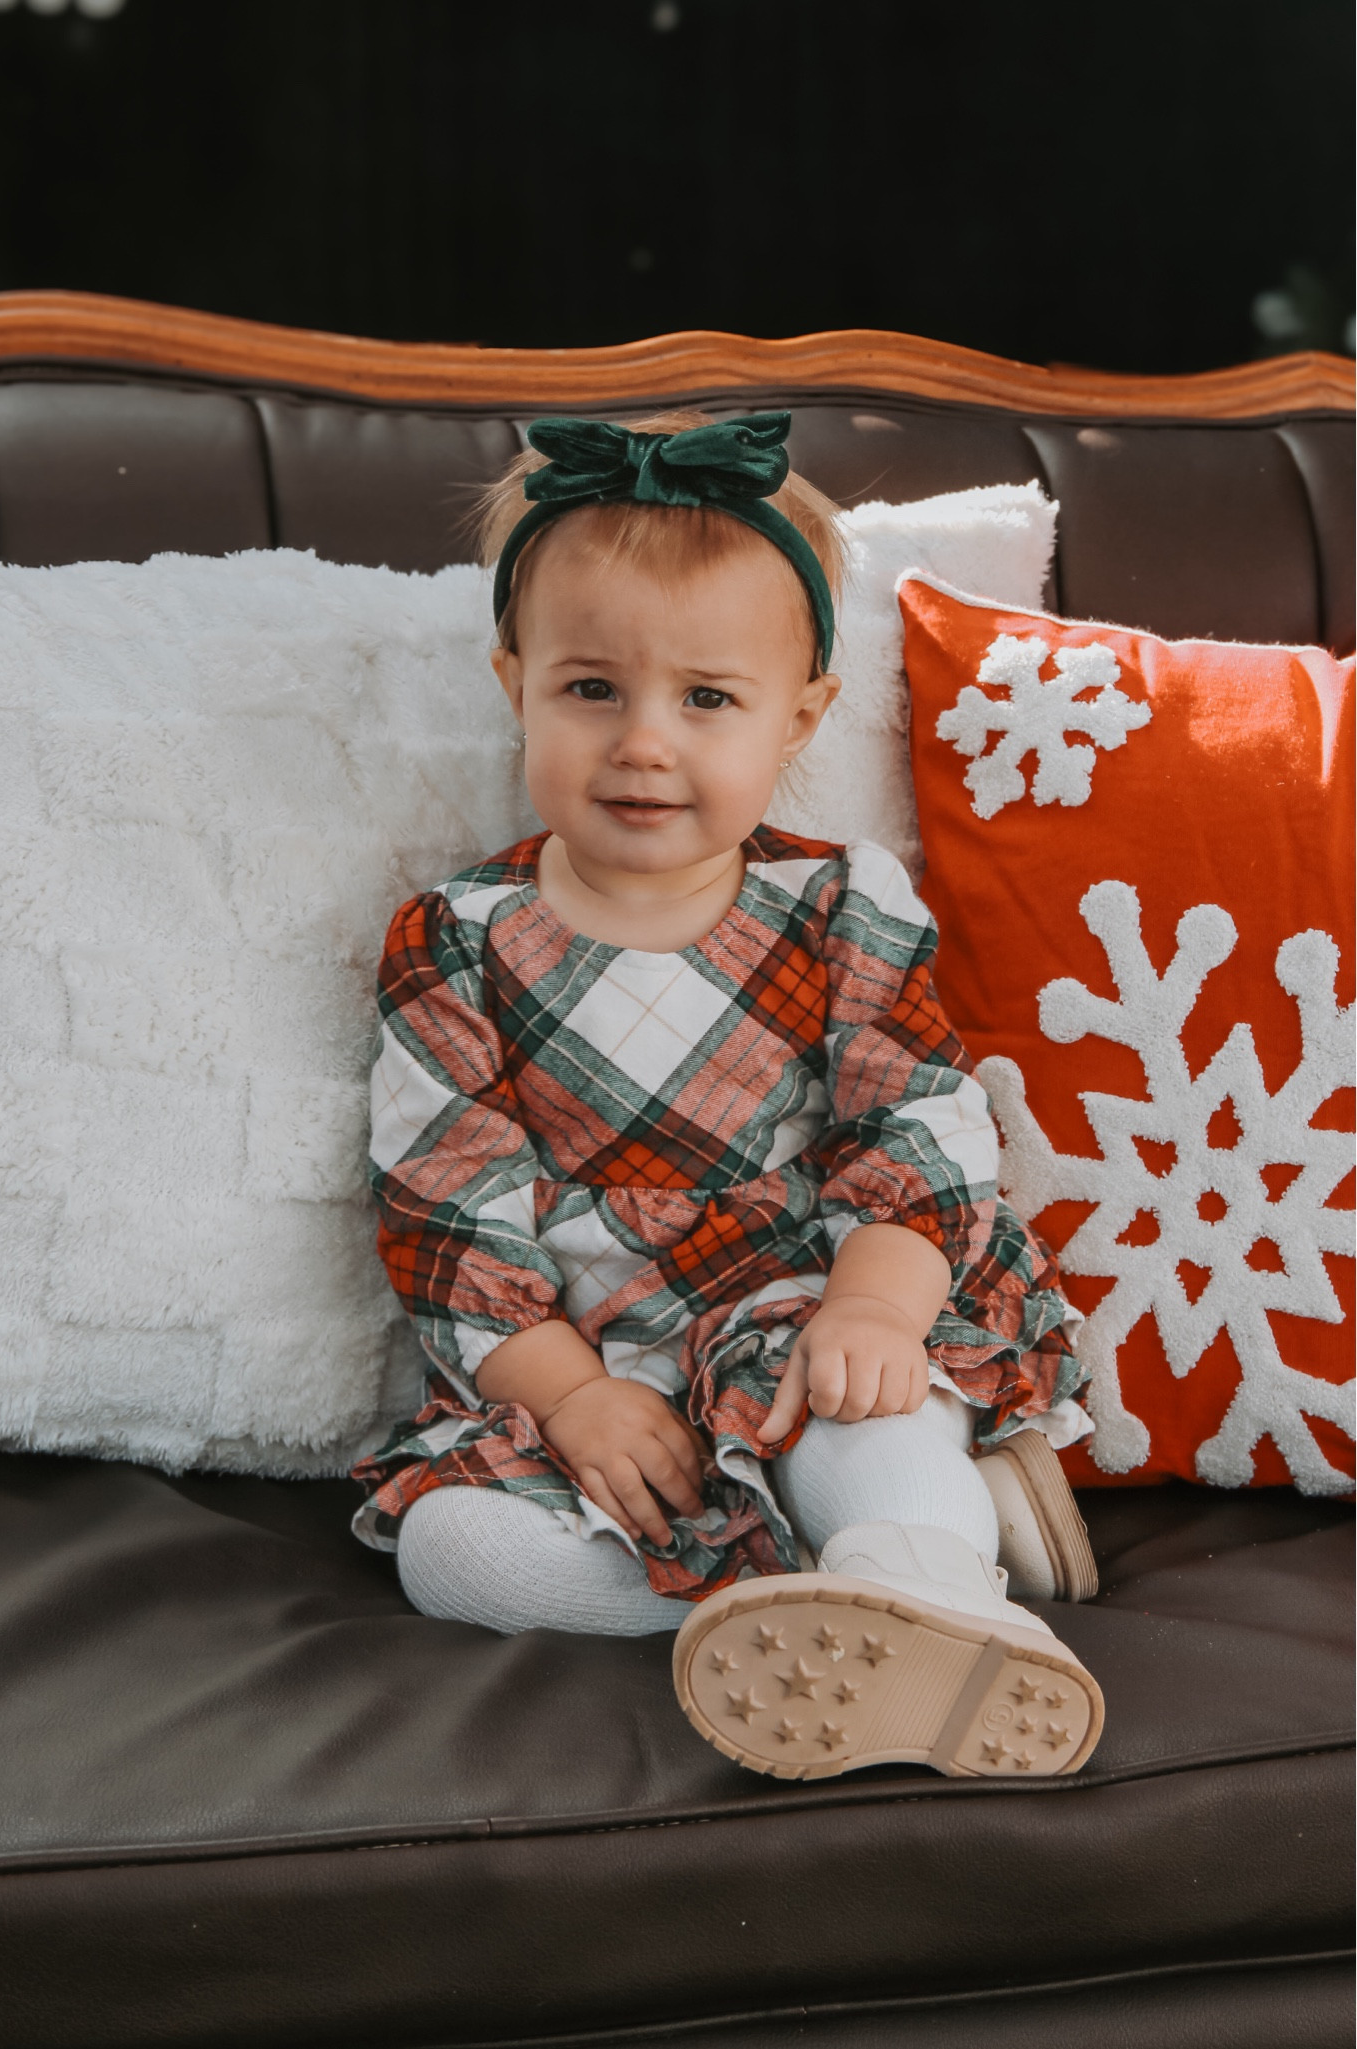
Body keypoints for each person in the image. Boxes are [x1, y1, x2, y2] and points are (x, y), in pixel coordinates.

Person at [351, 411, 1104, 1780]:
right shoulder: (453, 937)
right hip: (592, 1361)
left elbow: (910, 1128)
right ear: (514, 682)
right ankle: (859, 1594)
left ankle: (913, 1564)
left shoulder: (835, 904)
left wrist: (874, 1303)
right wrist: (572, 1400)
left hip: (797, 1301)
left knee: (863, 1405)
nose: (645, 742)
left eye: (705, 698)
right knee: (453, 1551)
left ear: (799, 716)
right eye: (592, 689)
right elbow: (445, 1210)